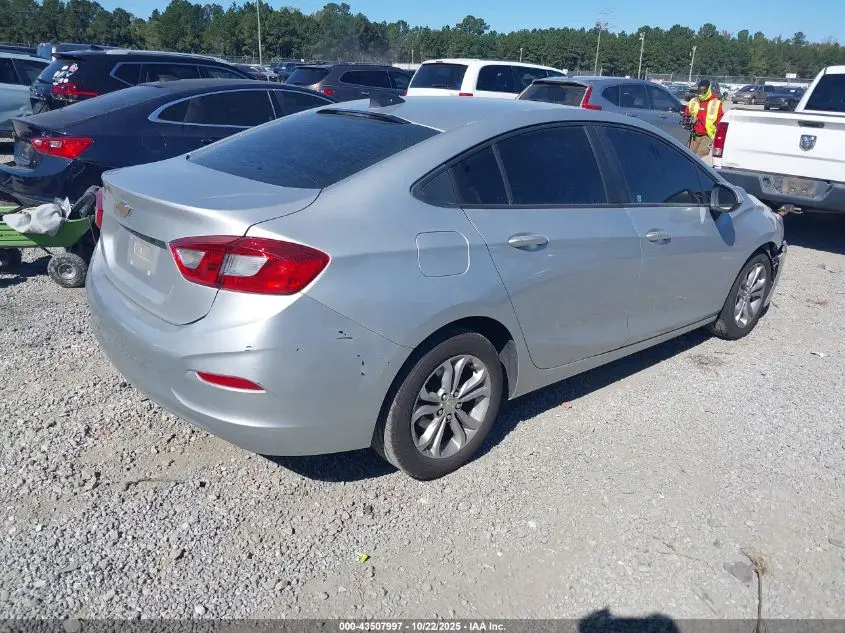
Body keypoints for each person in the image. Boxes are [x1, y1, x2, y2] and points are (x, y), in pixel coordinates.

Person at [684, 79, 724, 158]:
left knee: (700, 158)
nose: (701, 94)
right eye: (699, 92)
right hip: (695, 135)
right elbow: (686, 114)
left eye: (703, 92)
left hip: (707, 136)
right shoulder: (693, 101)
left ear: (708, 90)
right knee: (690, 157)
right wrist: (689, 119)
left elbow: (720, 120)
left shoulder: (716, 103)